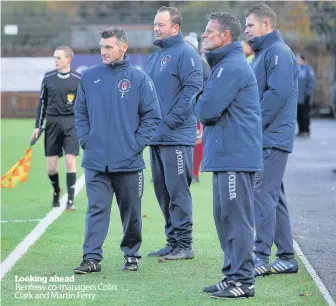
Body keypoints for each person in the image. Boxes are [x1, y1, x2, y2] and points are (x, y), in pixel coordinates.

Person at [73, 27, 161, 273]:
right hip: (95, 159)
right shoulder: (89, 77)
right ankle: (91, 258)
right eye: (102, 46)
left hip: (129, 161)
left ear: (123, 47)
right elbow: (80, 112)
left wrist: (135, 144)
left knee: (131, 212)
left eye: (109, 47)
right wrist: (85, 139)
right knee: (96, 209)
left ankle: (131, 254)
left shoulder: (139, 79)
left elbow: (152, 117)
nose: (104, 51)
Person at [194, 12, 262, 299]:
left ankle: (244, 281)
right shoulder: (223, 65)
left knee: (236, 220)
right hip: (225, 154)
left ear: (225, 36)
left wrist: (198, 99)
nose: (204, 35)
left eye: (210, 31)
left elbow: (206, 110)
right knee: (224, 219)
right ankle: (232, 274)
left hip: (235, 155)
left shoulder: (231, 66)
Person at [245, 3, 299, 276]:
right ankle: (287, 256)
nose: (246, 30)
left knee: (263, 195)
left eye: (250, 25)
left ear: (267, 25)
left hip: (271, 137)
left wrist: (252, 127)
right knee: (273, 196)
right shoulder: (266, 52)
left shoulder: (277, 52)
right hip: (267, 135)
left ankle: (260, 257)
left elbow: (275, 96)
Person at [146, 6, 203, 260]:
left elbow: (192, 91)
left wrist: (169, 122)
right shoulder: (156, 56)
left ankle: (184, 244)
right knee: (162, 190)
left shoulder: (186, 53)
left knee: (178, 191)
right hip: (156, 137)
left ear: (176, 28)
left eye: (161, 24)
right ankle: (172, 241)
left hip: (176, 136)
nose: (156, 28)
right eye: (155, 24)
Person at [32, 46, 81, 211]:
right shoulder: (48, 78)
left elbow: (83, 105)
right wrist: (38, 126)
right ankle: (56, 191)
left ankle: (71, 200)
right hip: (52, 123)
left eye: (59, 57)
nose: (56, 60)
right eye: (55, 57)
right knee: (52, 166)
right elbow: (42, 103)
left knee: (69, 160)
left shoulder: (78, 79)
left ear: (68, 59)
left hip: (71, 123)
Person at [184, 32, 210, 183]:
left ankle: (194, 173)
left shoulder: (202, 65)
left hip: (196, 109)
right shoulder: (181, 64)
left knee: (197, 139)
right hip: (182, 108)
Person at [296, 53, 316, 137]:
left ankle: (306, 130)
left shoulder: (308, 69)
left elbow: (311, 83)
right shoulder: (295, 69)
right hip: (297, 98)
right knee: (298, 115)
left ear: (302, 59)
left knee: (305, 115)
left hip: (304, 98)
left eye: (298, 58)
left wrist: (308, 94)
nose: (297, 60)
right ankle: (300, 130)